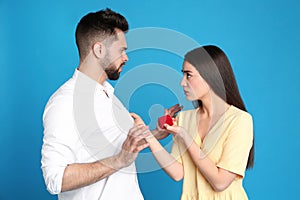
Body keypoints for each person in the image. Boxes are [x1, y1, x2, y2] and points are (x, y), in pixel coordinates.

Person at [41, 8, 175, 200]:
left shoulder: (108, 93)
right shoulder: (64, 103)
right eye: (121, 50)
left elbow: (121, 147)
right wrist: (119, 161)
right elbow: (55, 179)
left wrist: (155, 133)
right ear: (99, 49)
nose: (126, 57)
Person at [141, 45, 254, 199]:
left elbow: (220, 183)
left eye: (189, 75)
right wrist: (149, 136)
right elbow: (177, 173)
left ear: (211, 76)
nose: (182, 82)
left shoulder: (240, 120)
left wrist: (185, 136)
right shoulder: (184, 119)